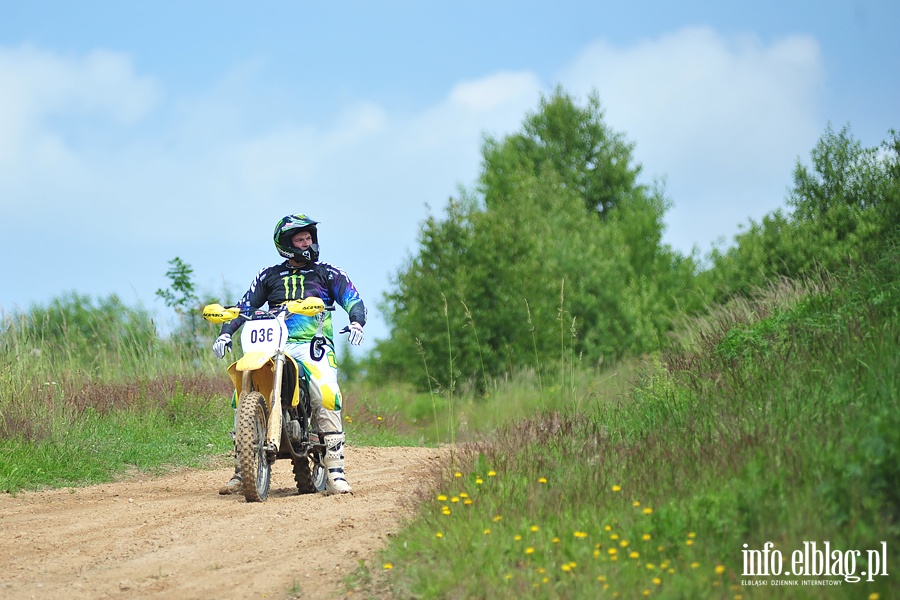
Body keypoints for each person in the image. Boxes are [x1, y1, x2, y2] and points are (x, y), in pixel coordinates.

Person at [211, 213, 366, 495]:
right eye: (300, 239)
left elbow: (353, 298)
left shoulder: (328, 273)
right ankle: (241, 467)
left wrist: (356, 321)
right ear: (286, 244)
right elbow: (245, 306)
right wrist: (225, 331)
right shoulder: (269, 275)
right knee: (241, 394)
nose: (307, 243)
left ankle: (335, 471)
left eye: (309, 237)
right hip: (272, 343)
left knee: (326, 392)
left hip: (311, 345)